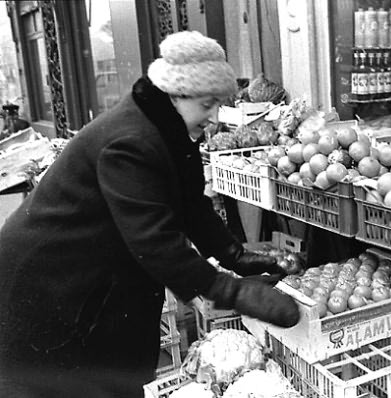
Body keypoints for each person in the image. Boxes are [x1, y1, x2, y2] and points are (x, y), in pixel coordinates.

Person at [0, 31, 300, 397]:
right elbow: (153, 239)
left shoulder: (168, 130)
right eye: (207, 104)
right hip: (51, 289)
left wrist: (234, 255)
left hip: (95, 280)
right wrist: (229, 290)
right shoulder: (130, 141)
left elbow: (192, 205)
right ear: (176, 94)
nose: (214, 116)